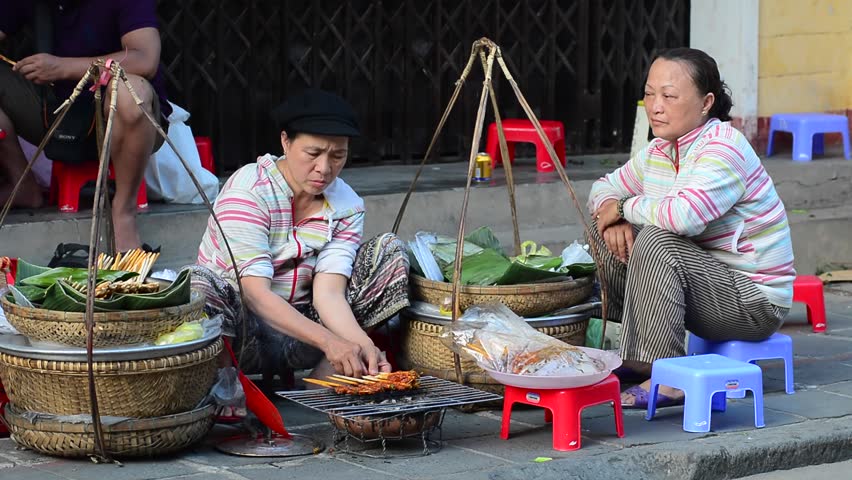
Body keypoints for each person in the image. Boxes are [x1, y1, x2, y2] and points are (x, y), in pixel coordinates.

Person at [587, 48, 795, 408]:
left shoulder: (724, 148)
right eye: (650, 94)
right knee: (602, 233)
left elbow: (684, 216)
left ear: (705, 102)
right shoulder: (659, 151)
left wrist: (623, 207)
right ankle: (640, 362)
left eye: (669, 96)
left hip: (753, 302)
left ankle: (671, 378)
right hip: (707, 286)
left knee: (656, 238)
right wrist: (612, 212)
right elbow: (603, 188)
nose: (655, 106)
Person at [191, 89, 410, 393]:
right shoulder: (249, 192)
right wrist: (330, 341)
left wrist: (362, 344)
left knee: (389, 251)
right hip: (244, 335)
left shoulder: (346, 202)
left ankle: (329, 376)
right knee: (199, 283)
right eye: (313, 153)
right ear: (286, 141)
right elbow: (255, 294)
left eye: (337, 156)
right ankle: (228, 391)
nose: (324, 168)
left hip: (305, 331)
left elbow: (329, 293)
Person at [0, 0, 170, 252]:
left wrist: (62, 68)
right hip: (57, 114)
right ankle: (21, 184)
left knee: (127, 89)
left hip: (125, 119)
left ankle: (123, 211)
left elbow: (145, 58)